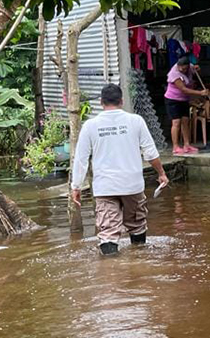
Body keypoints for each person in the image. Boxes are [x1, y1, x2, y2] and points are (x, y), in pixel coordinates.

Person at [71, 84, 168, 256]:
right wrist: (161, 173)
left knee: (108, 232)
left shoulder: (90, 126)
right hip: (132, 185)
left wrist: (76, 186)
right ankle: (139, 264)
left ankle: (111, 273)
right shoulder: (136, 121)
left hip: (105, 187)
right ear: (122, 101)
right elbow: (150, 153)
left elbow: (81, 160)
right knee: (137, 225)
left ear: (101, 102)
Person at [165, 55, 210, 155]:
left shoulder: (190, 66)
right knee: (176, 122)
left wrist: (196, 69)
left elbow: (194, 69)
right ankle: (175, 147)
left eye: (185, 68)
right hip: (173, 99)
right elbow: (184, 89)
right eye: (181, 68)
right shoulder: (174, 73)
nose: (182, 70)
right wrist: (200, 93)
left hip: (184, 99)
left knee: (186, 121)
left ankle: (187, 145)